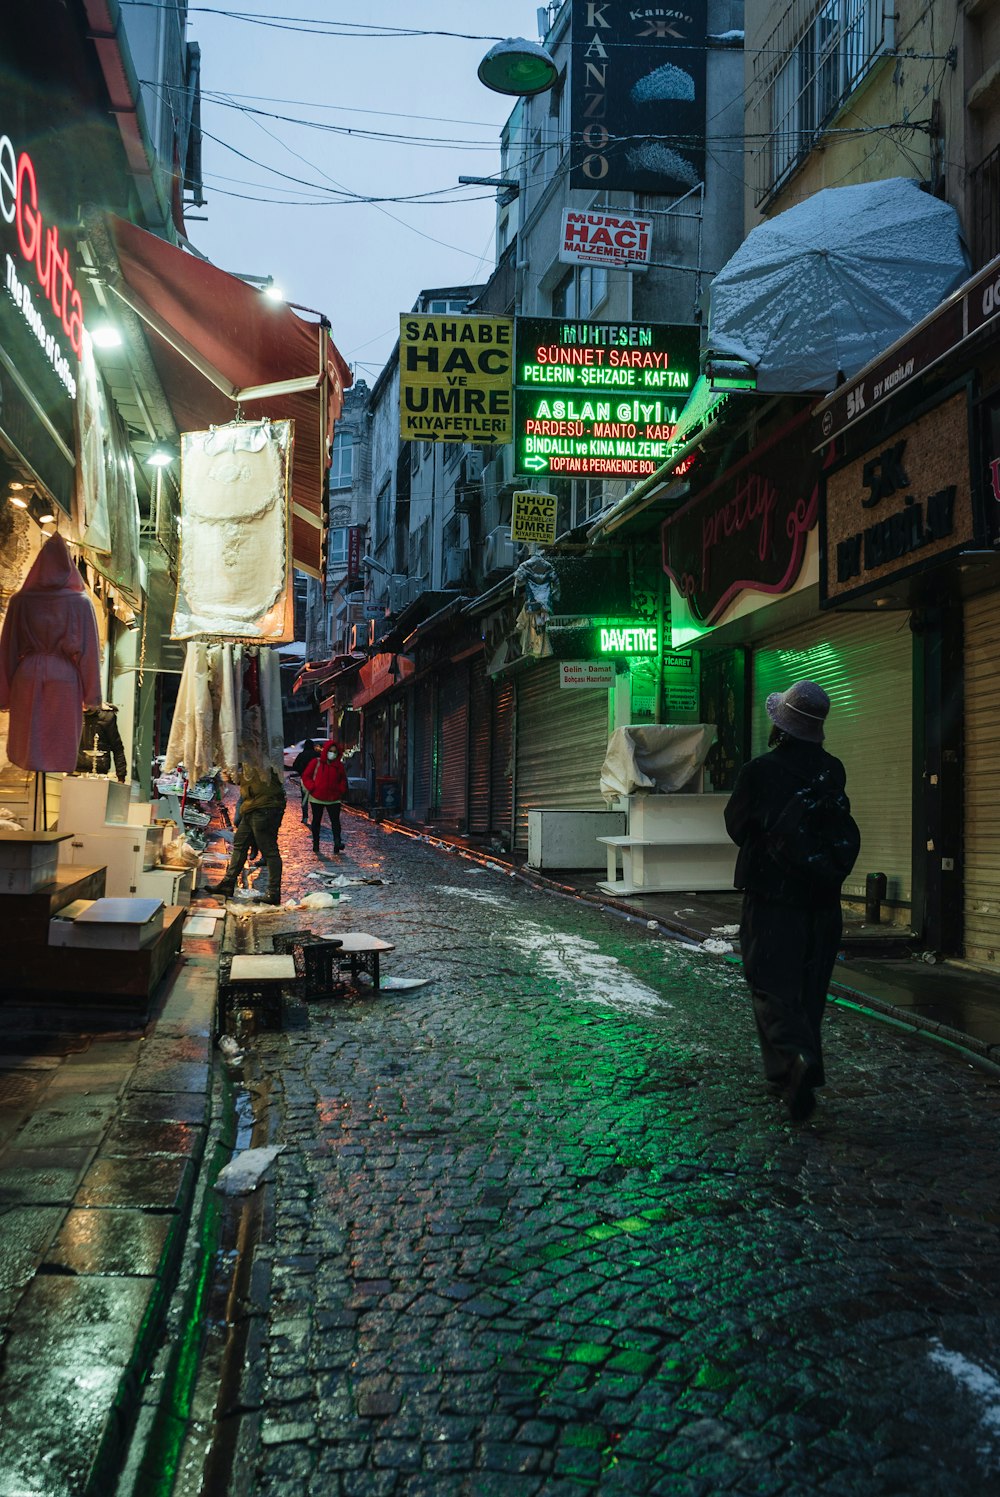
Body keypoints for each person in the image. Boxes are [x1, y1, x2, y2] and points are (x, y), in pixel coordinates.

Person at [724, 680, 851, 1123]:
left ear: (781, 725)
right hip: (824, 903)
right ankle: (791, 1075)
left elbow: (737, 828)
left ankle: (795, 1060)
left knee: (770, 984)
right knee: (809, 989)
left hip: (774, 899)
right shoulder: (832, 770)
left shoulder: (758, 771)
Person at [212, 765, 286, 905]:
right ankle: (227, 884)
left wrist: (232, 772)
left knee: (270, 851)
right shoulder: (250, 760)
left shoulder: (260, 758)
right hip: (252, 807)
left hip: (264, 808)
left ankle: (273, 893)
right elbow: (244, 781)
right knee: (240, 844)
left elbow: (253, 782)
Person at [302, 738, 348, 855]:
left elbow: (343, 779)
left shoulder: (339, 766)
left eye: (334, 752)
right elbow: (306, 776)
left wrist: (340, 790)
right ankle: (316, 843)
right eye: (330, 751)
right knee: (316, 821)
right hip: (317, 797)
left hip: (334, 798)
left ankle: (337, 842)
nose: (332, 754)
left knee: (335, 822)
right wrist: (312, 787)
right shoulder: (316, 762)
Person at [290, 738, 319, 825]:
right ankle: (316, 817)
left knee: (304, 799)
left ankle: (305, 817)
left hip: (305, 780)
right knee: (315, 800)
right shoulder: (317, 754)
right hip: (316, 779)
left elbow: (295, 765)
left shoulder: (302, 755)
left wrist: (301, 772)